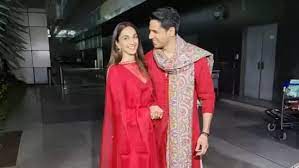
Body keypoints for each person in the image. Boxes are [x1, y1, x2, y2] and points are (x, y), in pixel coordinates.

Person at [145, 7, 216, 168]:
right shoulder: (149, 59)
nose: (150, 36)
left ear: (170, 31)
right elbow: (142, 95)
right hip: (156, 134)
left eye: (155, 32)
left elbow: (207, 97)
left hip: (187, 136)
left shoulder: (196, 58)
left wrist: (205, 133)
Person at [100, 21, 163, 168]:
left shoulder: (143, 66)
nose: (132, 41)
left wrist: (153, 106)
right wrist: (147, 113)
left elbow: (150, 97)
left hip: (147, 134)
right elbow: (120, 114)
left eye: (134, 37)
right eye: (126, 38)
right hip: (130, 140)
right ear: (117, 44)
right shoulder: (115, 71)